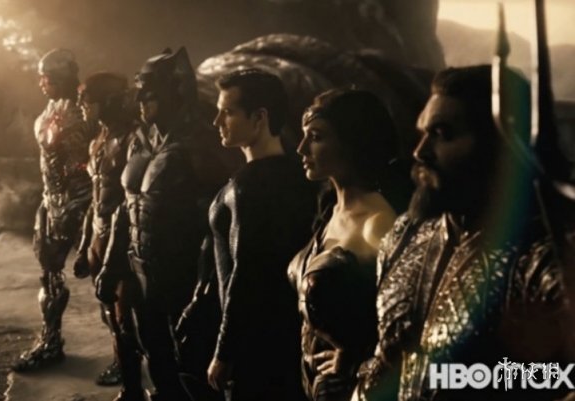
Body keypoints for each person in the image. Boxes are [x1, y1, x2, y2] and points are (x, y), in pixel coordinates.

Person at [354, 65, 571, 401]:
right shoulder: (405, 234)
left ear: (502, 146)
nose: (420, 151)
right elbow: (387, 355)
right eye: (423, 132)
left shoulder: (542, 257)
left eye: (442, 133)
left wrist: (474, 377)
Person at [95, 48, 203, 401]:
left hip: (183, 275)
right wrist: (111, 265)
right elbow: (124, 209)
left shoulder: (202, 144)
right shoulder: (140, 140)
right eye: (139, 92)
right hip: (142, 270)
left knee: (192, 368)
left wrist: (206, 290)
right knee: (155, 356)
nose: (140, 101)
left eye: (150, 93)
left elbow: (220, 225)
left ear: (175, 92)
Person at [206, 68, 317, 401]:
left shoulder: (248, 187)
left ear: (259, 118)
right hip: (288, 333)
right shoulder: (299, 176)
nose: (217, 121)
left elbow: (246, 272)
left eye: (227, 112)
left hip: (253, 343)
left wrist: (224, 351)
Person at [288, 88, 404, 401]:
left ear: (352, 142)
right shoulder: (330, 212)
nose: (301, 148)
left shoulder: (378, 223)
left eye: (316, 137)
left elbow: (409, 320)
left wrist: (358, 361)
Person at [13, 48, 93, 372]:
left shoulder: (85, 110)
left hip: (84, 201)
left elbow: (91, 161)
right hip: (53, 201)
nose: (41, 83)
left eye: (45, 77)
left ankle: (126, 352)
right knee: (49, 275)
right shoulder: (51, 109)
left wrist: (86, 205)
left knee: (108, 279)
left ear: (58, 78)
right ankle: (51, 342)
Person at [74, 72, 140, 389]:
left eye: (87, 98)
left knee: (127, 317)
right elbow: (95, 198)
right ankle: (125, 376)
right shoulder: (98, 140)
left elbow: (128, 203)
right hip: (99, 236)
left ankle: (135, 384)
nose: (81, 104)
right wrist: (84, 245)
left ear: (108, 101)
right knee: (110, 314)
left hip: (123, 241)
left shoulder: (132, 141)